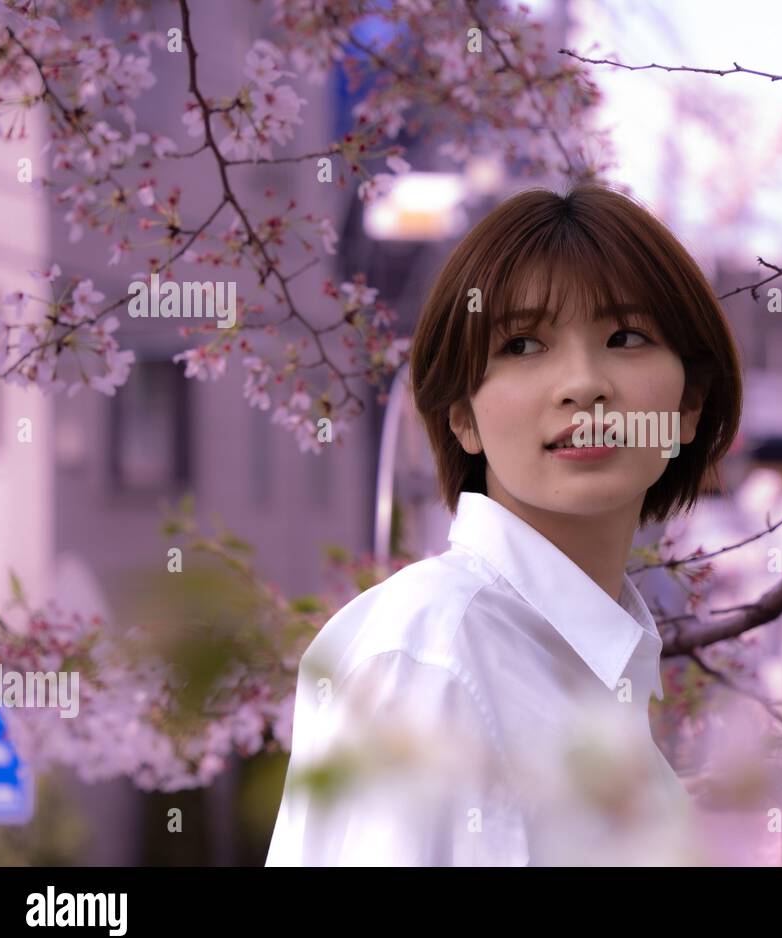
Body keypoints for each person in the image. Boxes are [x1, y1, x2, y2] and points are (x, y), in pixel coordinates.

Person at [266, 182, 743, 865]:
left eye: (626, 337)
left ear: (690, 405)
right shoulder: (437, 648)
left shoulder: (592, 665)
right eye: (522, 345)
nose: (583, 383)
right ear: (462, 414)